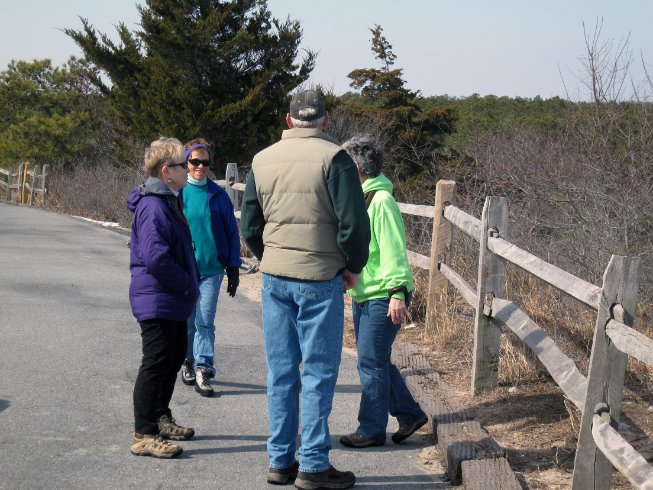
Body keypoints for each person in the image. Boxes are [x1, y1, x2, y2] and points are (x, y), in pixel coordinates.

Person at [240, 89, 370, 489]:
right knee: (317, 374)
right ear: (326, 121)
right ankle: (313, 465)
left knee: (281, 372)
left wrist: (271, 257)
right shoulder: (336, 159)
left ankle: (280, 462)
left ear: (289, 118)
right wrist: (351, 267)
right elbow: (354, 225)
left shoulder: (261, 161)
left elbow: (249, 226)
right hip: (319, 278)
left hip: (276, 278)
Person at [339, 134, 428, 449]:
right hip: (365, 293)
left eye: (347, 164)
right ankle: (409, 414)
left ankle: (371, 429)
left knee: (370, 362)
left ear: (359, 167)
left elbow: (393, 250)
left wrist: (397, 292)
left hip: (384, 294)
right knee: (375, 359)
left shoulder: (381, 201)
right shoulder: (363, 198)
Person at [126, 136, 199, 459]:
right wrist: (186, 283)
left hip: (170, 299)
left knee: (173, 357)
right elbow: (156, 258)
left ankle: (160, 417)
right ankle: (144, 433)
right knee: (156, 363)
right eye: (184, 165)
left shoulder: (169, 199)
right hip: (158, 298)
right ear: (167, 171)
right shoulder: (153, 205)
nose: (189, 170)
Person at [178, 138, 242, 398]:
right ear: (186, 163)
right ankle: (187, 361)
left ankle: (204, 368)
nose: (200, 166)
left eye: (205, 162)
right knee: (188, 321)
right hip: (184, 270)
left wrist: (233, 267)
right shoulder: (178, 194)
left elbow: (230, 233)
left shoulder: (218, 196)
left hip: (212, 271)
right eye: (195, 162)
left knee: (205, 321)